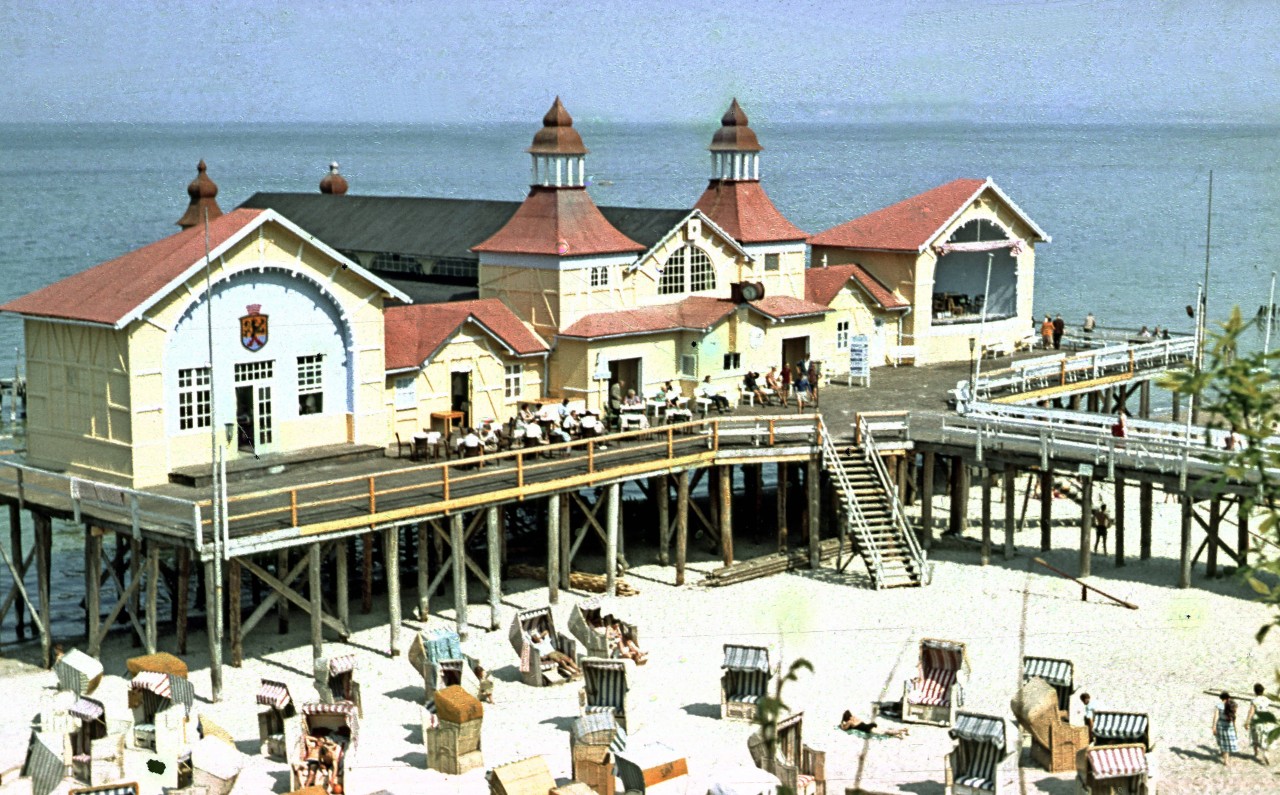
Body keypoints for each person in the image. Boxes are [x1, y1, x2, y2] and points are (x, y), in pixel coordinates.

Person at [1247, 683, 1272, 765]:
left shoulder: (1254, 701)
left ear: (1255, 691)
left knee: (1255, 736)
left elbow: (1251, 712)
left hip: (1256, 720)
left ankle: (1256, 752)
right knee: (1264, 736)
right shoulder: (1266, 700)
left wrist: (1247, 721)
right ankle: (1265, 752)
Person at [839, 710, 908, 738]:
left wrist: (842, 723)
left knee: (884, 732)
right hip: (870, 724)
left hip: (868, 729)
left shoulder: (850, 722)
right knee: (885, 730)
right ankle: (902, 730)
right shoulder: (855, 717)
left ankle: (901, 731)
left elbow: (844, 729)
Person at [1215, 690, 1239, 765]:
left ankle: (1225, 759)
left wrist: (1213, 726)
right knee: (1228, 742)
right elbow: (1234, 718)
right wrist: (1236, 729)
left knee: (1223, 741)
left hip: (1221, 724)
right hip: (1229, 725)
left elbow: (1215, 717)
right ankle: (1226, 758)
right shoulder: (1232, 705)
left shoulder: (1218, 705)